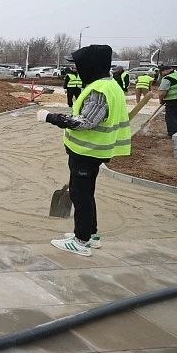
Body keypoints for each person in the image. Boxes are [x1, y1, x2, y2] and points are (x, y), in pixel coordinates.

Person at [37, 44, 131, 257]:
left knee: (80, 195)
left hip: (88, 152)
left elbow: (85, 121)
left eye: (79, 65)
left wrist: (51, 117)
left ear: (91, 65)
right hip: (91, 151)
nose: (77, 69)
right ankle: (90, 234)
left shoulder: (100, 90)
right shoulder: (109, 85)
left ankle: (82, 241)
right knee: (86, 193)